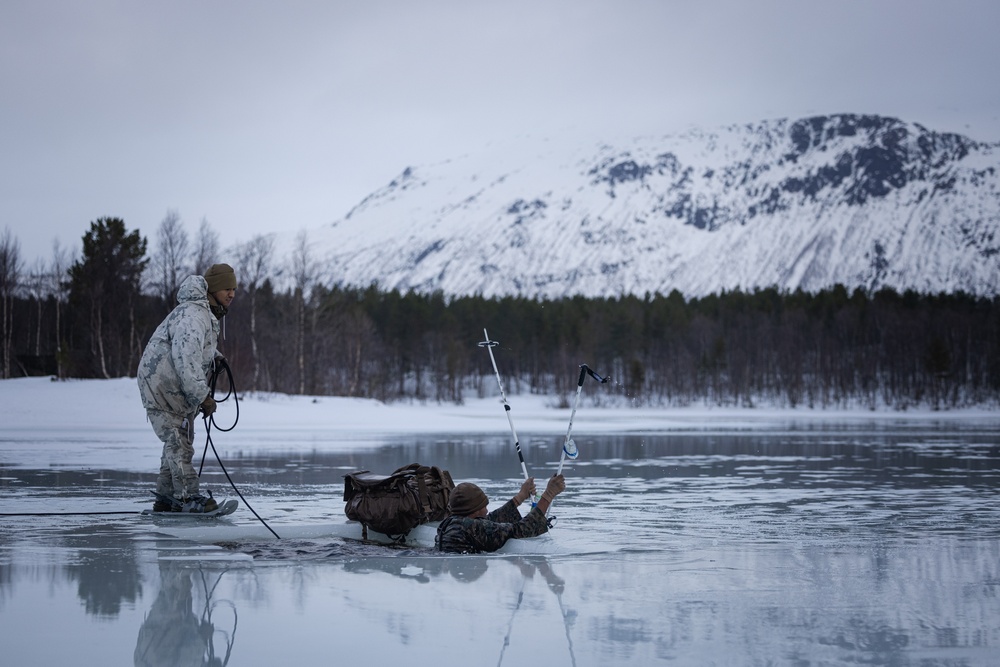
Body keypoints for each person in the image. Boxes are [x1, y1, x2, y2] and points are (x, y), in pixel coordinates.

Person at [137, 263, 237, 512]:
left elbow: (192, 348)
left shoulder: (203, 314)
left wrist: (214, 355)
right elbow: (185, 359)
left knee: (177, 438)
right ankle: (187, 498)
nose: (232, 293)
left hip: (170, 387)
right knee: (179, 441)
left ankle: (165, 497)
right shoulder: (195, 315)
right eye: (227, 288)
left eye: (234, 288)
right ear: (213, 290)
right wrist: (204, 397)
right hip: (161, 386)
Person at [436, 473, 566, 553]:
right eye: (483, 506)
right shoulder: (473, 527)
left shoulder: (450, 523)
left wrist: (520, 497)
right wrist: (549, 494)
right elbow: (521, 529)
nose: (487, 510)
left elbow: (490, 519)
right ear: (473, 511)